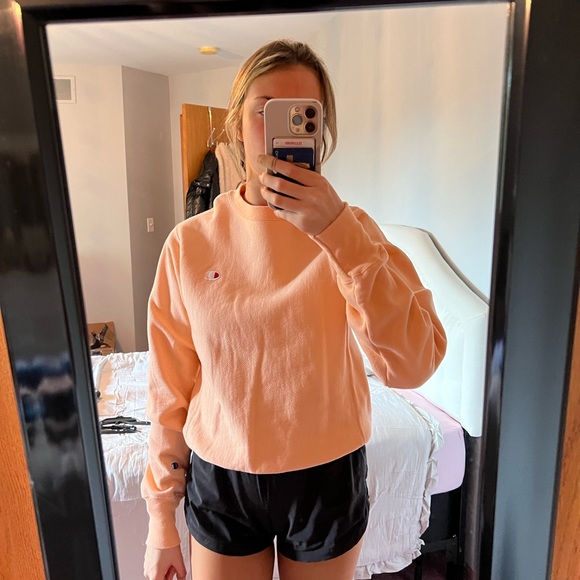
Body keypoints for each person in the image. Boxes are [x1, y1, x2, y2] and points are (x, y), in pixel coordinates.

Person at [142, 39, 447, 580]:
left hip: (326, 473)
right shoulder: (189, 244)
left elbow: (413, 363)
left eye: (302, 114)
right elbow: (169, 387)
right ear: (237, 125)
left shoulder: (353, 232)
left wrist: (339, 235)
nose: (279, 131)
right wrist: (161, 517)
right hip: (223, 474)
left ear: (319, 132)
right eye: (264, 111)